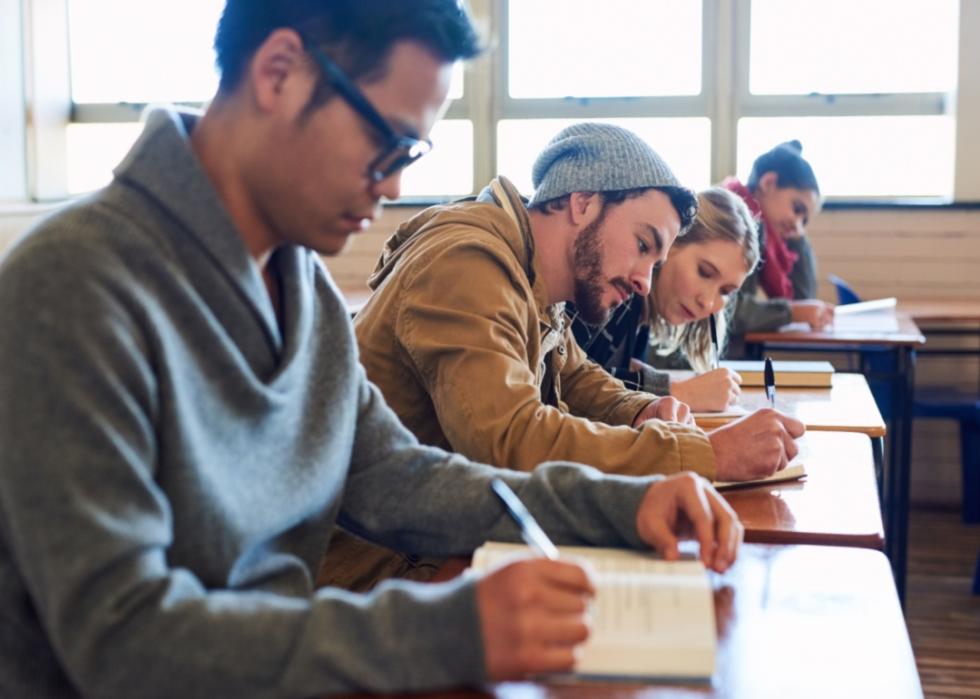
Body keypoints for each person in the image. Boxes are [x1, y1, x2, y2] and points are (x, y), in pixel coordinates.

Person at [0, 3, 745, 697]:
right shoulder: (73, 284)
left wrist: (627, 502)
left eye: (409, 152)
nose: (391, 183)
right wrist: (451, 628)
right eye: (384, 139)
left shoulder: (302, 288)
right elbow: (122, 637)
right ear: (279, 72)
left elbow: (396, 477)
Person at [332, 124, 803, 589]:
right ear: (583, 202)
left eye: (656, 263)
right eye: (643, 245)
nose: (644, 280)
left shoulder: (537, 277)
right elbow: (512, 439)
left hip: (442, 545)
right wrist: (705, 453)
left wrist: (643, 408)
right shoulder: (468, 262)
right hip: (382, 572)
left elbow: (577, 377)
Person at [570, 186, 759, 412]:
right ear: (671, 242)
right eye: (705, 272)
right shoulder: (617, 290)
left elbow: (601, 371)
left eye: (726, 291)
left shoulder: (641, 316)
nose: (708, 303)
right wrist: (679, 393)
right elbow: (565, 382)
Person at [722, 140, 834, 349]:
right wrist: (791, 313)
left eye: (805, 221)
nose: (797, 224)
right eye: (797, 208)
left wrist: (798, 238)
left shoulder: (764, 233)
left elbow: (803, 298)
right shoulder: (732, 219)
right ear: (768, 184)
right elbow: (726, 310)